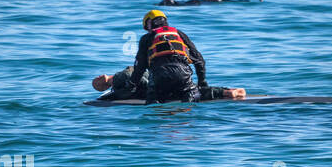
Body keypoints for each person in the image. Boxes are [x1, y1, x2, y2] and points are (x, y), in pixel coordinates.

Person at [129, 9, 208, 103]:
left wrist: (132, 85)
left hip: (159, 79)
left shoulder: (146, 38)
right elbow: (199, 60)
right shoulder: (179, 34)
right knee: (192, 92)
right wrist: (202, 82)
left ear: (150, 23)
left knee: (153, 97)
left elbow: (140, 67)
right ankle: (190, 95)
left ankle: (154, 99)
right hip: (183, 77)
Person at [92, 66, 245, 102]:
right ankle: (226, 91)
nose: (98, 77)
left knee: (189, 92)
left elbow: (133, 79)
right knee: (192, 90)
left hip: (157, 85)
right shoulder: (118, 81)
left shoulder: (119, 79)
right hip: (162, 77)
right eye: (97, 81)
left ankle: (226, 92)